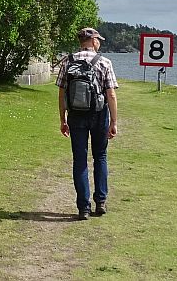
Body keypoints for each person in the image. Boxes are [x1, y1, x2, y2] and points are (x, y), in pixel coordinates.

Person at [57, 26, 118, 220]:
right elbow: (111, 94)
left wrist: (62, 118)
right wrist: (114, 121)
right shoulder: (104, 62)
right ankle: (100, 201)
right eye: (98, 40)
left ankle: (83, 207)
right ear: (93, 41)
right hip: (99, 114)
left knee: (80, 160)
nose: (99, 43)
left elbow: (61, 93)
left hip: (76, 115)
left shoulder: (68, 61)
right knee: (100, 156)